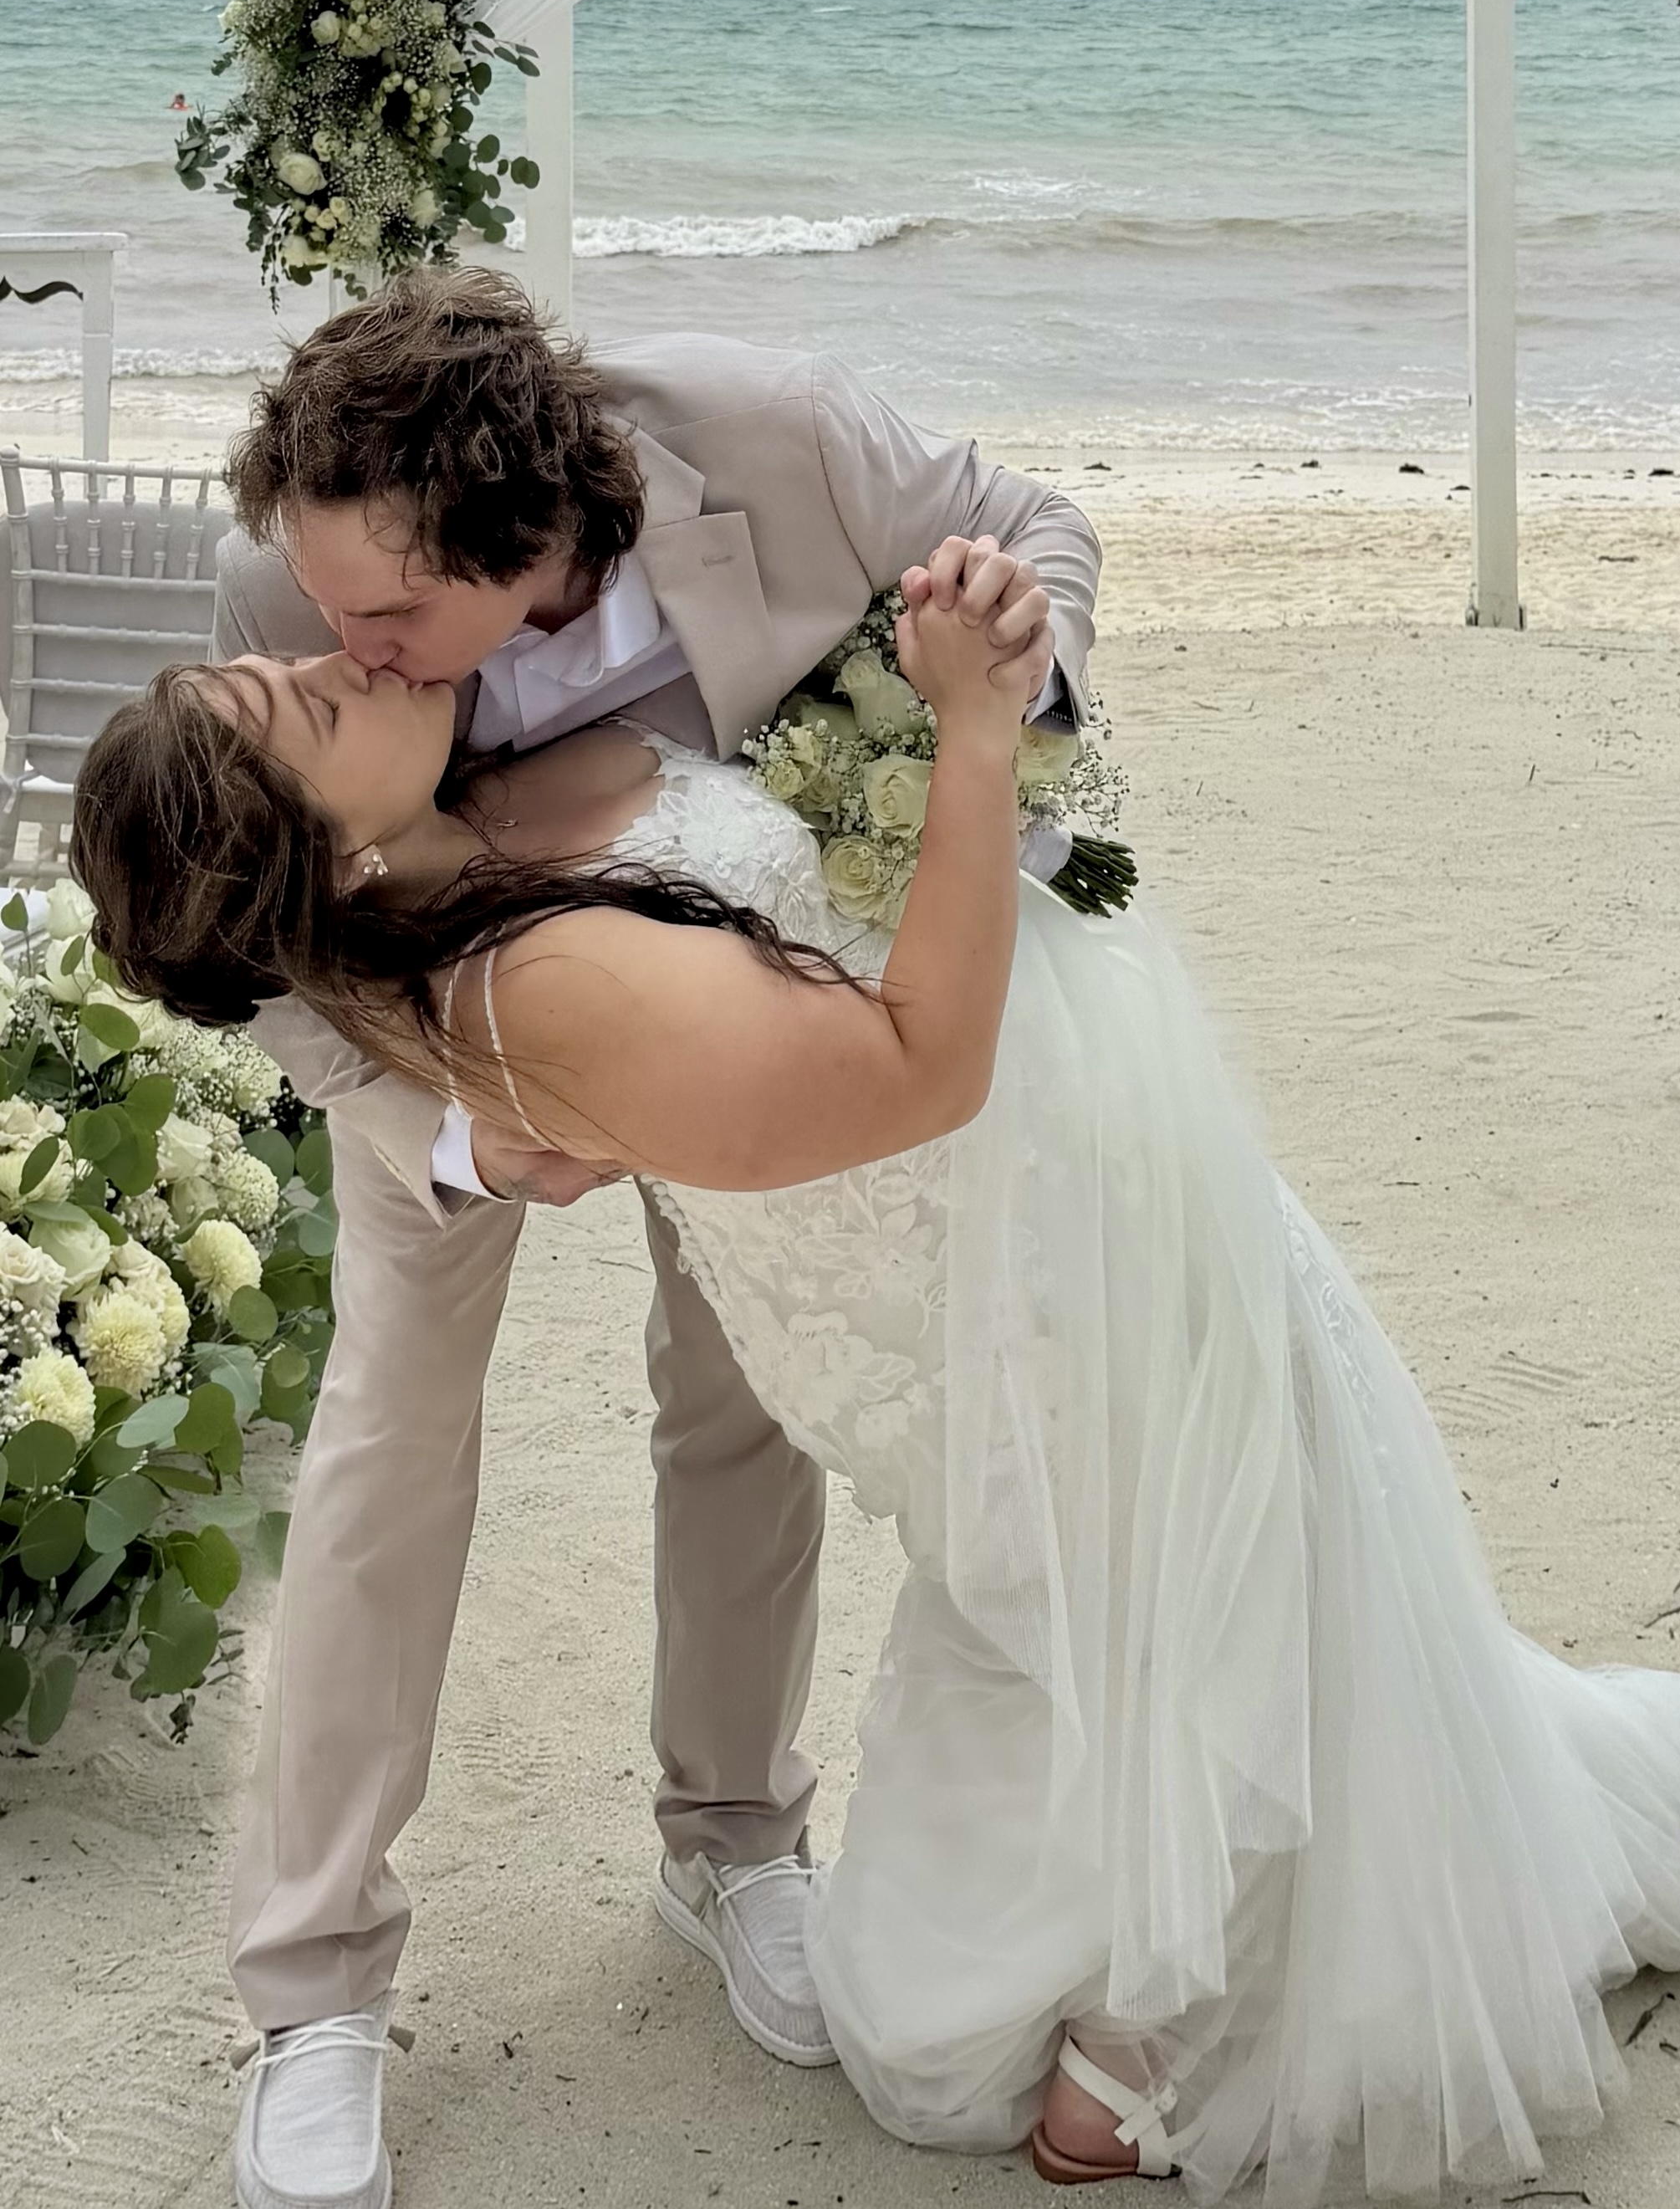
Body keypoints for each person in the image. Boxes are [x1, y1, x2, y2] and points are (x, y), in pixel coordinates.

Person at [75, 579, 1680, 2205]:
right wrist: (968, 734)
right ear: (324, 857)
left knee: (1128, 1708)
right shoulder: (513, 982)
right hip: (963, 1326)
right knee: (922, 2019)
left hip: (1086, 1268)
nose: (327, 651)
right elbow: (912, 1066)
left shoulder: (498, 781)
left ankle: (1164, 2001)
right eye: (302, 707)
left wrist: (969, 675)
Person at [197, 268, 1100, 2209]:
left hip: (727, 987)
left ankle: (733, 1841)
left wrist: (1012, 661)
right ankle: (315, 1980)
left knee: (743, 1395)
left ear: (522, 542)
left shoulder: (769, 426)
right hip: (429, 1032)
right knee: (389, 1440)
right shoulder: (293, 577)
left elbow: (1029, 525)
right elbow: (254, 922)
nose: (344, 647)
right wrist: (448, 1125)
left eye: (389, 621)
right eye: (333, 617)